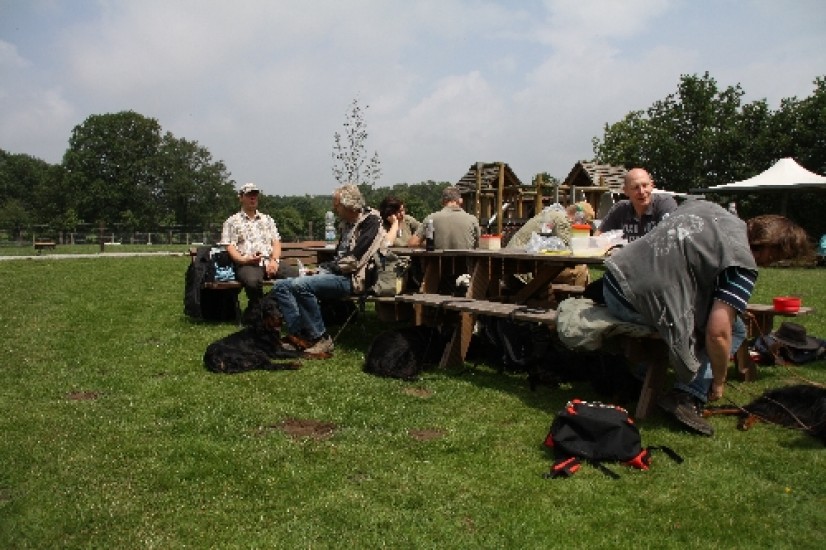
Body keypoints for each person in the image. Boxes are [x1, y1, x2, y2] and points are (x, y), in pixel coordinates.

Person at [601, 201, 812, 435]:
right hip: (634, 302)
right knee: (735, 329)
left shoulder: (707, 208)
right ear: (772, 249)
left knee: (719, 319)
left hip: (614, 280)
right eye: (779, 257)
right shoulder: (742, 263)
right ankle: (688, 394)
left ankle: (639, 374)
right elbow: (718, 333)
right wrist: (719, 380)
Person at [270, 184, 384, 356]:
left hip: (353, 279)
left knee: (301, 285)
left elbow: (354, 260)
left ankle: (320, 338)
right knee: (281, 285)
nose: (333, 208)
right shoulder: (346, 224)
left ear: (348, 205)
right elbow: (339, 257)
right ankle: (298, 335)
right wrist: (320, 270)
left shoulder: (371, 222)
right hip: (338, 273)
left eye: (336, 205)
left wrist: (324, 269)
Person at [221, 182, 291, 319]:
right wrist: (244, 260)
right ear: (241, 198)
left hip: (269, 261)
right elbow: (230, 247)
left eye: (255, 195)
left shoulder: (267, 220)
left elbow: (276, 243)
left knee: (296, 278)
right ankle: (261, 311)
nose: (253, 198)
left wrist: (274, 261)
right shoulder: (232, 222)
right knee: (252, 283)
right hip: (247, 264)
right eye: (249, 195)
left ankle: (262, 306)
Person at [506, 201, 595, 287]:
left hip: (516, 266)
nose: (583, 225)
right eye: (585, 222)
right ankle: (578, 296)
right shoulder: (562, 220)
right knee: (581, 270)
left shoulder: (554, 213)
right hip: (522, 271)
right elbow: (570, 248)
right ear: (578, 216)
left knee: (576, 269)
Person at [596, 168, 678, 241]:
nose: (641, 192)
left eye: (645, 185)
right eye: (635, 187)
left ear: (652, 186)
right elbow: (597, 238)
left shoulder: (664, 204)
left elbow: (669, 239)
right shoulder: (620, 209)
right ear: (626, 191)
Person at [408, 186, 480, 249]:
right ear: (460, 200)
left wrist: (429, 246)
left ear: (442, 201)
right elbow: (476, 245)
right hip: (465, 260)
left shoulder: (431, 219)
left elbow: (412, 243)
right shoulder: (472, 220)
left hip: (439, 260)